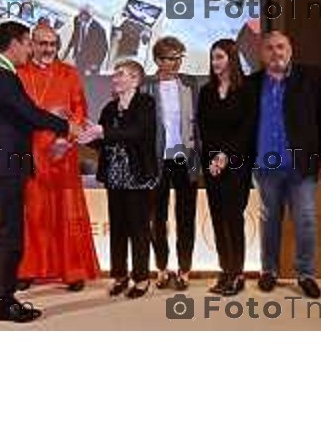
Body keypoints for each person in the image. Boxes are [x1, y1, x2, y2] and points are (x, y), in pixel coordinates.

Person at [0, 21, 70, 323]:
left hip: (1, 162)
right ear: (14, 43)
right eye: (29, 43)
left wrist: (50, 120)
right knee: (11, 233)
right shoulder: (0, 75)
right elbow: (28, 113)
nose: (31, 50)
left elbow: (22, 117)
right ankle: (4, 303)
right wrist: (65, 125)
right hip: (5, 164)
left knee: (4, 227)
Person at [247, 30, 321, 298]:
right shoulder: (252, 84)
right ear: (262, 54)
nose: (276, 52)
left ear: (290, 49)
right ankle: (269, 271)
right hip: (265, 166)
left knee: (306, 220)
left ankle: (306, 274)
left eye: (281, 46)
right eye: (270, 48)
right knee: (269, 220)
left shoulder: (314, 77)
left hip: (301, 165)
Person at [16, 23, 100, 291]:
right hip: (31, 151)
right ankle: (28, 269)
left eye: (53, 44)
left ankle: (72, 271)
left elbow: (79, 109)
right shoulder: (19, 72)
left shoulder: (69, 73)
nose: (48, 49)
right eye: (42, 44)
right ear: (32, 44)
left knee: (67, 212)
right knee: (33, 213)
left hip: (63, 152)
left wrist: (65, 140)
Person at [80, 60, 157, 299]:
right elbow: (102, 141)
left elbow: (137, 133)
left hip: (137, 176)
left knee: (139, 229)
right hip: (114, 176)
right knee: (119, 229)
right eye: (114, 74)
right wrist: (83, 135)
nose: (114, 78)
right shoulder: (110, 108)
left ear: (135, 79)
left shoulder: (145, 104)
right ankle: (120, 276)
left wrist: (103, 132)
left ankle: (142, 278)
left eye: (120, 74)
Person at [197, 39, 255, 296]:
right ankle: (225, 270)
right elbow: (204, 128)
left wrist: (225, 156)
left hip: (237, 164)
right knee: (218, 219)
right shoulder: (206, 91)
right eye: (213, 58)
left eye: (219, 57)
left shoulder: (247, 90)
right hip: (213, 165)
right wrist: (213, 158)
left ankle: (238, 273)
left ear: (231, 58)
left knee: (233, 218)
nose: (215, 63)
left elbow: (247, 129)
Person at [143, 37, 199, 291]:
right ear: (157, 61)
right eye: (170, 58)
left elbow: (197, 121)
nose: (176, 63)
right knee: (158, 218)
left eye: (179, 57)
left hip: (184, 159)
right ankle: (162, 268)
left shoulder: (190, 83)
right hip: (157, 161)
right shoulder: (146, 86)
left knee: (186, 216)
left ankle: (185, 269)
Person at [62, 7, 108, 75]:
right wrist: (67, 50)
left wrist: (96, 64)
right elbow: (75, 35)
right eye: (79, 15)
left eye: (82, 15)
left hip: (91, 61)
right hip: (79, 58)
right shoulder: (77, 20)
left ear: (88, 16)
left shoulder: (99, 30)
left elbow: (103, 49)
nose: (79, 18)